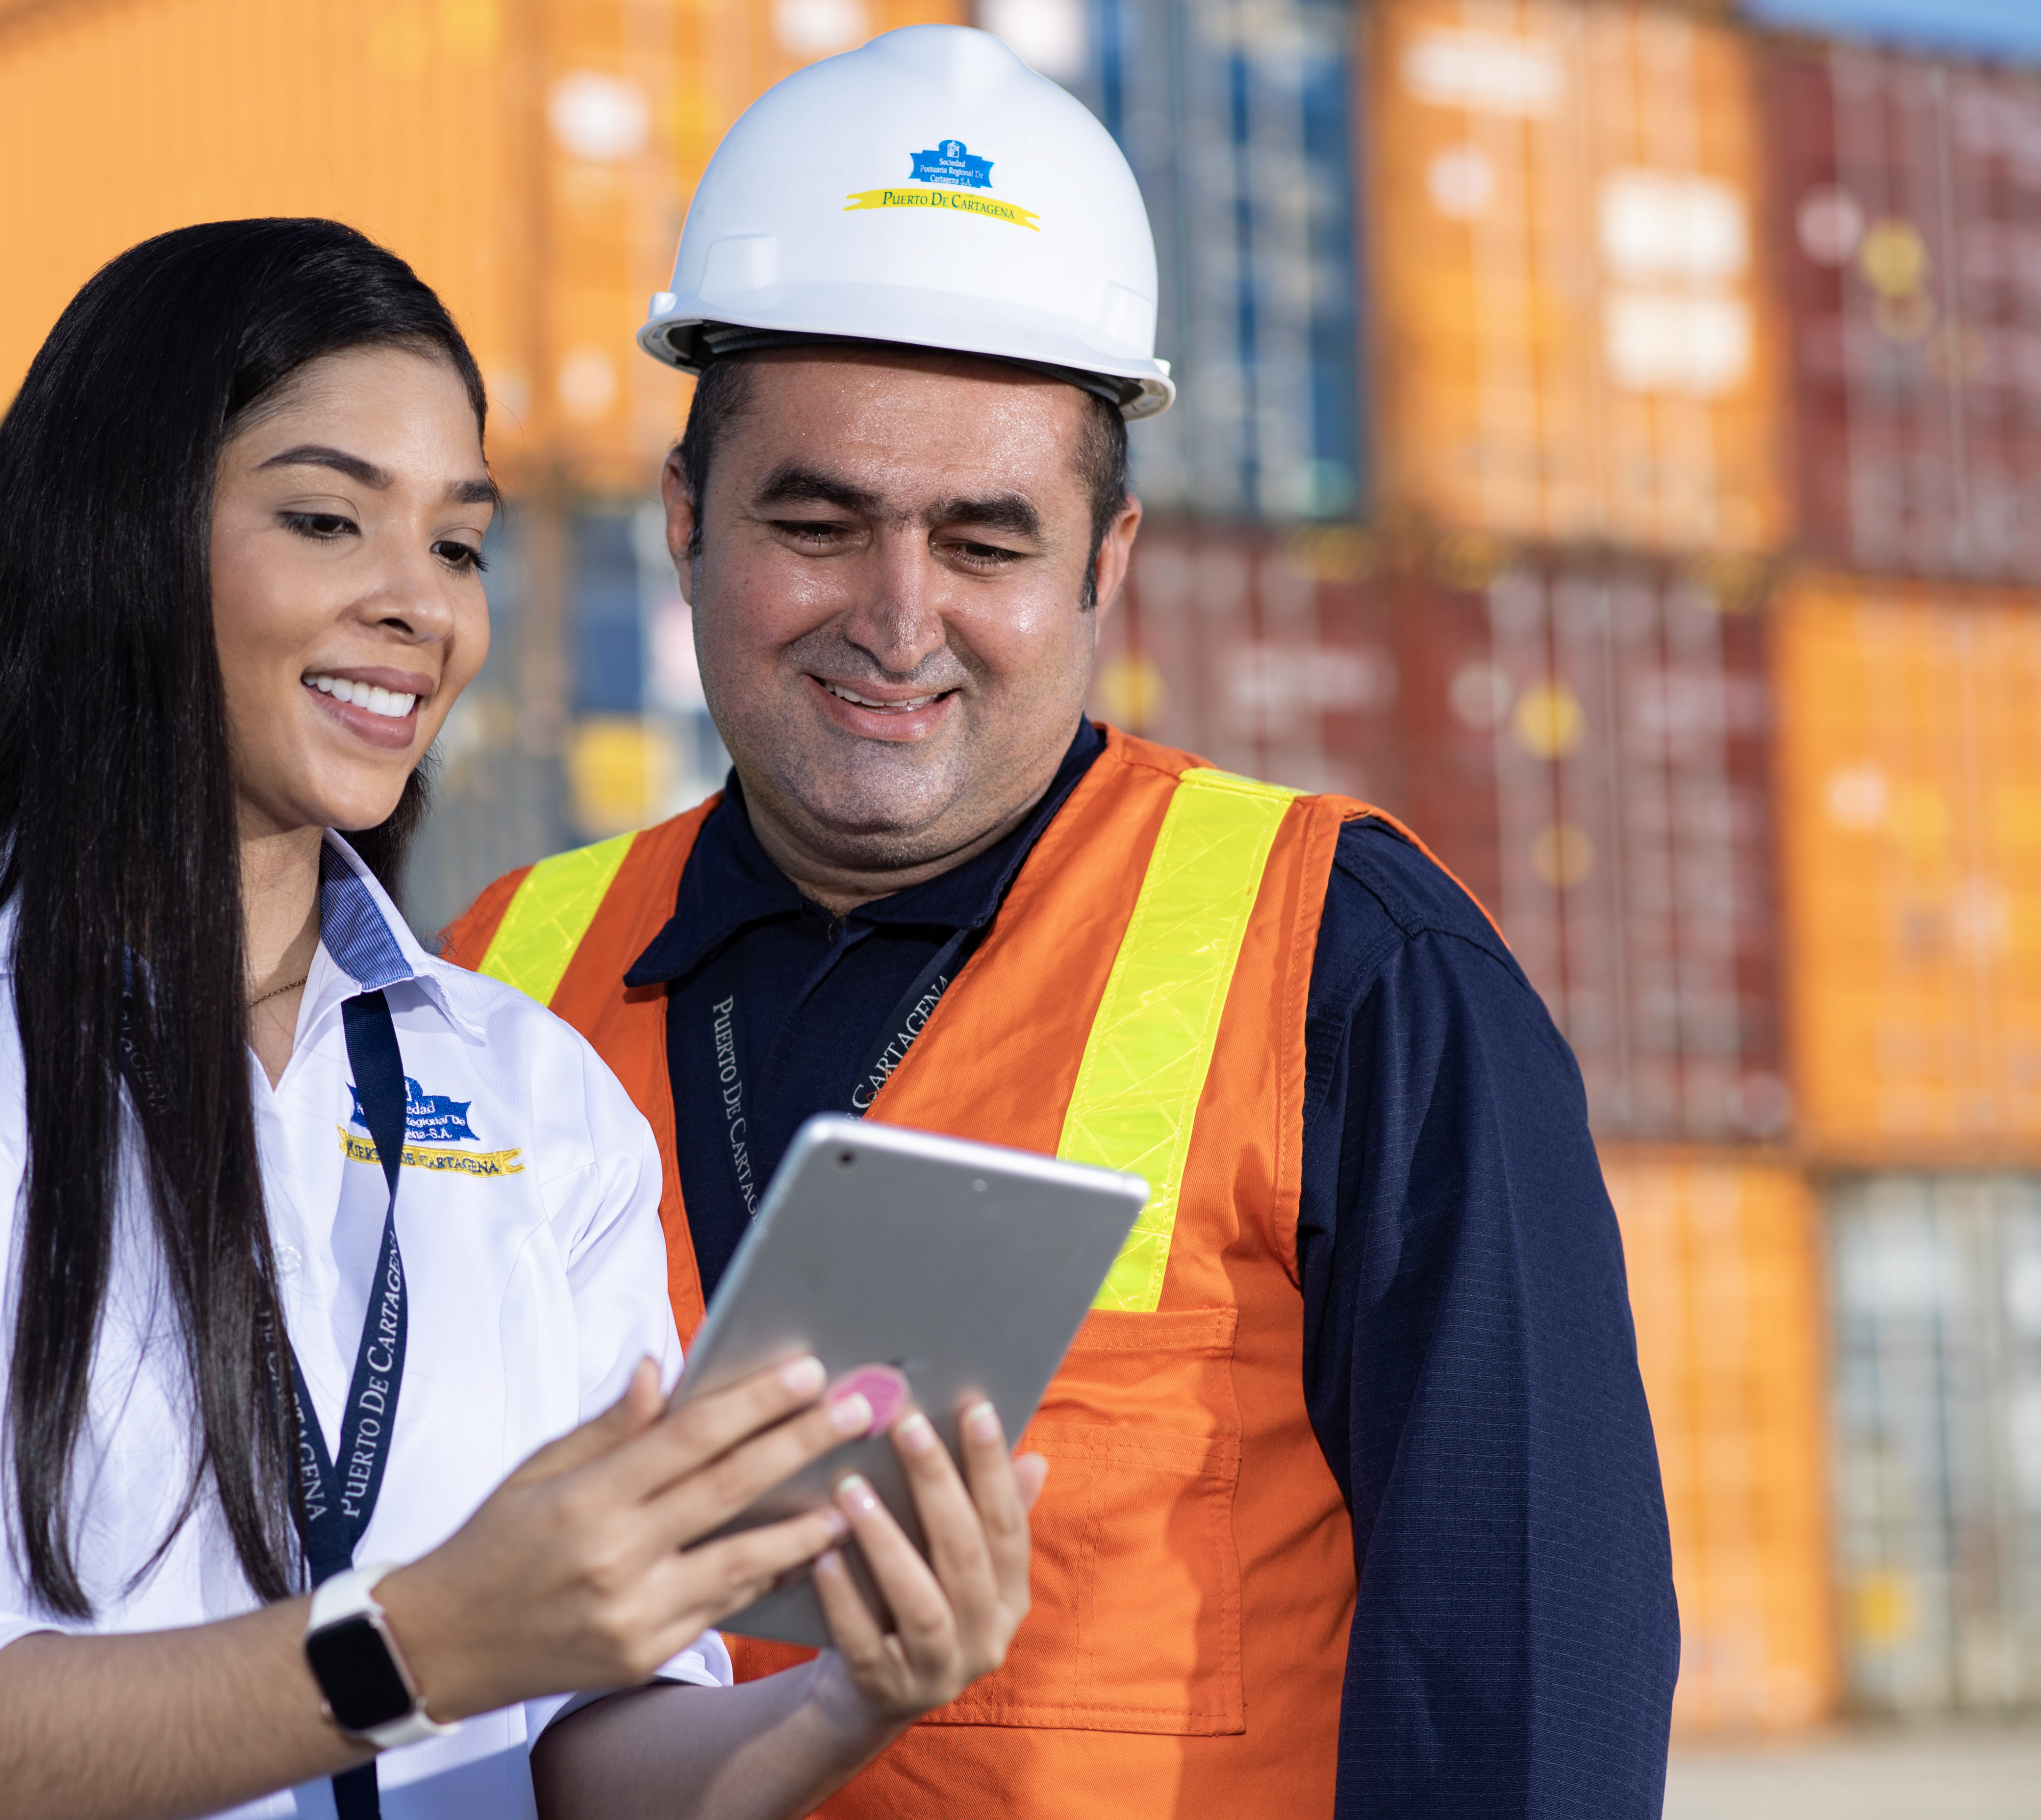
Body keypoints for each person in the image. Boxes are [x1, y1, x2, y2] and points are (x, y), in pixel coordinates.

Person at [0, 218, 1047, 1820]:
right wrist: (429, 1643)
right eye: (327, 520)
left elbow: (600, 1759)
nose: (420, 609)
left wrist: (851, 1705)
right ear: (124, 537)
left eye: (456, 546)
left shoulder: (536, 1092)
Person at [441, 27, 1677, 1820]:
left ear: (1106, 566)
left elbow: (1527, 1682)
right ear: (686, 523)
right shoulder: (489, 980)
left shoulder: (1352, 964)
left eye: (987, 542)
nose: (896, 614)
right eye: (820, 518)